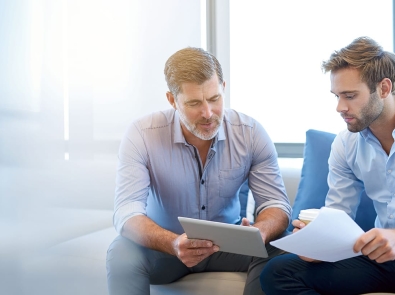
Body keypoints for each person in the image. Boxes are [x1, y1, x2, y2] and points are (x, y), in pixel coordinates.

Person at [106, 47, 292, 295]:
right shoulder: (142, 134)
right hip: (165, 248)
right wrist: (172, 243)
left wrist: (260, 231)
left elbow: (276, 203)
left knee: (282, 246)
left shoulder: (250, 132)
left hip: (230, 247)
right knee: (121, 252)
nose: (207, 113)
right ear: (172, 100)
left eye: (214, 99)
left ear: (223, 87)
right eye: (194, 103)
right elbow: (127, 211)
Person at [260, 36, 395, 294]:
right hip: (382, 262)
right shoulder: (347, 143)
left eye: (350, 96)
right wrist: (319, 244)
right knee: (277, 274)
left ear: (384, 88)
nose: (339, 107)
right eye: (337, 96)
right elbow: (338, 215)